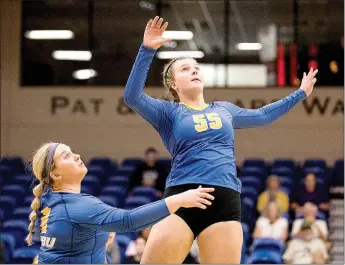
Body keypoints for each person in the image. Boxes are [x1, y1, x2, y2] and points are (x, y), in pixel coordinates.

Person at [123, 16, 318, 264]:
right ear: (173, 83)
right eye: (185, 69)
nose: (193, 70)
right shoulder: (167, 112)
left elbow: (262, 116)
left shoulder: (224, 109)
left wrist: (299, 94)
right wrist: (147, 49)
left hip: (224, 200)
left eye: (195, 67)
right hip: (182, 195)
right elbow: (132, 97)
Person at [26, 142, 215, 264]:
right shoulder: (76, 206)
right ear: (55, 174)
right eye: (66, 156)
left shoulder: (53, 201)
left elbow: (77, 249)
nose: (76, 156)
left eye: (72, 151)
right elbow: (128, 221)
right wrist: (179, 199)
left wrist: (98, 238)